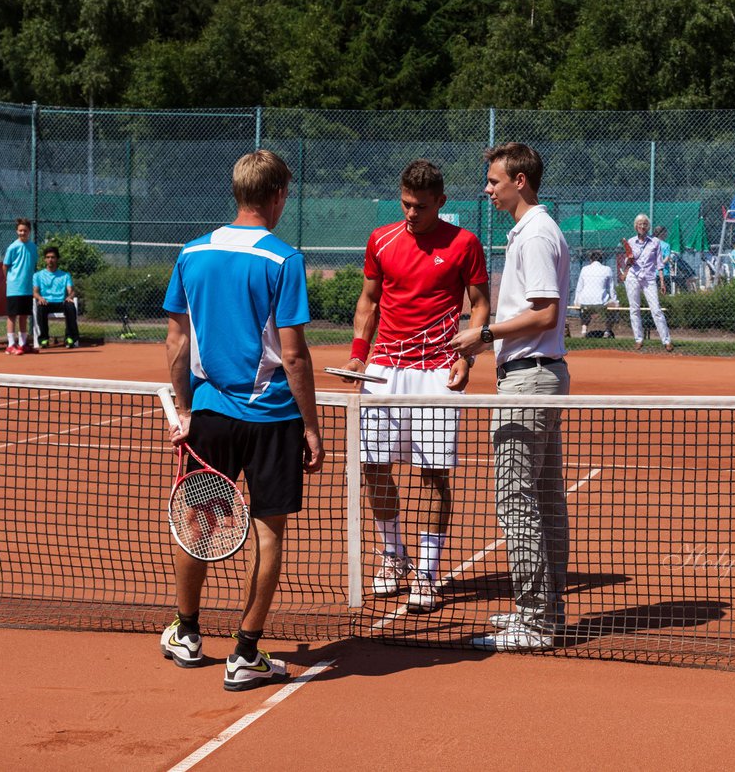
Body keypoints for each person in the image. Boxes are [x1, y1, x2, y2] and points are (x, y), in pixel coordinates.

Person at [159, 150, 324, 691]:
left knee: (196, 525)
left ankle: (187, 634)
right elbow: (294, 356)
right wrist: (312, 426)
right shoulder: (283, 260)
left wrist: (185, 410)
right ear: (277, 195)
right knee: (268, 531)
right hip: (272, 417)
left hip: (208, 416)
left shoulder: (192, 254)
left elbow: (176, 342)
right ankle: (246, 653)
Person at [338, 159, 490, 614]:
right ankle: (393, 555)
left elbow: (480, 307)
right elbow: (369, 301)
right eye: (405, 204)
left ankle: (426, 572)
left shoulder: (465, 243)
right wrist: (356, 354)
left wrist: (466, 356)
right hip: (384, 368)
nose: (411, 213)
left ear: (441, 202)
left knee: (434, 474)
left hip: (439, 370)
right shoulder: (381, 239)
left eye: (420, 206)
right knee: (374, 467)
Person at [450, 142, 571, 652]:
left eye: (494, 181)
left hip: (529, 380)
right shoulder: (531, 232)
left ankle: (538, 622)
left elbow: (545, 312)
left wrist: (485, 335)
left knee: (516, 501)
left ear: (520, 181)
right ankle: (541, 611)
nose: (488, 189)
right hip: (535, 376)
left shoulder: (536, 234)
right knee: (543, 499)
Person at [620, 214, 673, 352]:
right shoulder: (630, 242)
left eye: (644, 224)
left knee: (656, 309)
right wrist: (626, 270)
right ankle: (638, 339)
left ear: (648, 226)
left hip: (649, 278)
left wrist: (662, 281)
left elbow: (659, 263)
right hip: (633, 277)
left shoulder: (655, 242)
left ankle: (666, 340)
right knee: (634, 309)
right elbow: (628, 260)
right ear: (636, 226)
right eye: (640, 224)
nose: (642, 226)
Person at [32, 246, 80, 349]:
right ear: (45, 259)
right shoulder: (38, 275)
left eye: (53, 257)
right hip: (46, 303)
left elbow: (71, 291)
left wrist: (69, 297)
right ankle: (44, 339)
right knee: (40, 307)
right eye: (48, 257)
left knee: (71, 306)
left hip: (61, 303)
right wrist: (40, 298)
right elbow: (35, 292)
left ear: (57, 259)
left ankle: (70, 338)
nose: (50, 260)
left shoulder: (65, 275)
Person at [2, 217, 38, 355]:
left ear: (29, 231)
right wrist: (8, 280)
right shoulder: (12, 247)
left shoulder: (33, 248)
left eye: (25, 230)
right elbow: (5, 266)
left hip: (27, 287)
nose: (22, 233)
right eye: (20, 230)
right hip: (14, 287)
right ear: (17, 231)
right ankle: (11, 345)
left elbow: (32, 266)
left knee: (24, 315)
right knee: (12, 315)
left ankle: (23, 344)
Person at [573, 250, 617, 337]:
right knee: (612, 311)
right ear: (601, 260)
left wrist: (576, 300)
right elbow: (611, 288)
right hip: (601, 301)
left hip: (585, 300)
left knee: (585, 310)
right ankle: (607, 331)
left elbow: (579, 287)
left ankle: (584, 330)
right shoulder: (607, 269)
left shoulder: (584, 269)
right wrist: (615, 301)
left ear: (590, 260)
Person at [653, 225, 672, 294]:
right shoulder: (666, 245)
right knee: (666, 293)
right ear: (662, 234)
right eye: (665, 232)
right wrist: (660, 263)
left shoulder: (652, 244)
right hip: (664, 273)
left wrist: (655, 263)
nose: (666, 234)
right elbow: (667, 258)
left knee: (654, 294)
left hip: (653, 273)